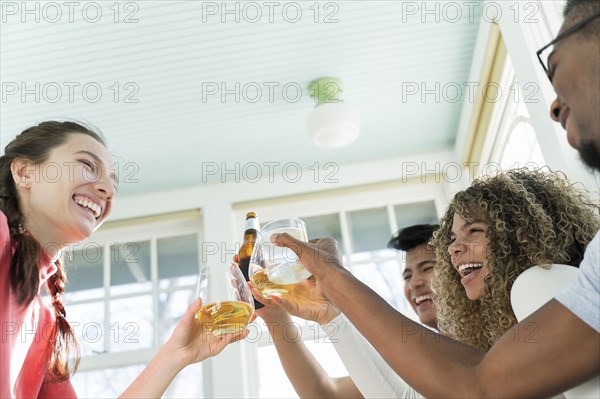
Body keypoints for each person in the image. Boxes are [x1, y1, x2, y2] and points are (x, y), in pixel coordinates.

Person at [271, 0, 600, 396]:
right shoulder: (508, 330)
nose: (454, 253)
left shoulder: (539, 286)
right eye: (451, 242)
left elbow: (473, 386)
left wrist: (334, 282)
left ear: (521, 235)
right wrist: (330, 311)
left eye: (556, 67)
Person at [0, 121, 246, 398]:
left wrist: (174, 355)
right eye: (87, 165)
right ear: (23, 172)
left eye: (113, 182)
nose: (107, 189)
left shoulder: (44, 321)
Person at [250, 224, 439, 398]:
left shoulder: (465, 353)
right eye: (407, 276)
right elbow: (324, 393)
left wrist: (334, 287)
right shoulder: (421, 357)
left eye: (428, 267)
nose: (413, 283)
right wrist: (275, 316)